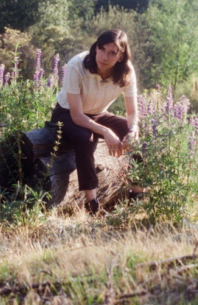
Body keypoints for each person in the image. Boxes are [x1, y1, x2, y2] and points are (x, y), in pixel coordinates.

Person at [51, 29, 139, 215]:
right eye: (101, 49)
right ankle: (93, 205)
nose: (104, 56)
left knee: (133, 134)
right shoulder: (77, 65)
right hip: (67, 114)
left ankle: (137, 195)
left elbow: (132, 113)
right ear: (96, 47)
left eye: (112, 53)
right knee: (86, 137)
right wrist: (106, 132)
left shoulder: (127, 72)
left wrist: (132, 131)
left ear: (121, 56)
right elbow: (77, 116)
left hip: (98, 113)